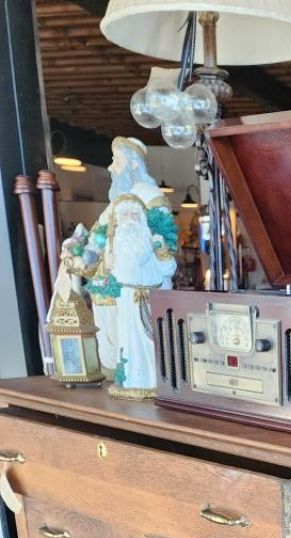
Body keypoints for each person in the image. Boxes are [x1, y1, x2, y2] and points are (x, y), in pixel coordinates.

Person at [62, 137, 178, 379]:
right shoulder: (118, 201)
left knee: (142, 342)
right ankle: (119, 375)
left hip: (142, 287)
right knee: (116, 343)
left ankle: (141, 378)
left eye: (117, 161)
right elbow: (98, 236)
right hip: (115, 287)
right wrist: (83, 253)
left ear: (133, 164)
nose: (111, 167)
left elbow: (164, 244)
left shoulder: (150, 196)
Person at [104, 194, 177, 397]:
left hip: (154, 300)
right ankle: (134, 381)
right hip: (128, 304)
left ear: (142, 218)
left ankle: (159, 381)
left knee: (155, 342)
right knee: (130, 344)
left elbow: (169, 269)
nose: (129, 219)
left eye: (134, 214)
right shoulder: (114, 246)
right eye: (124, 215)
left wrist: (162, 252)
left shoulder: (152, 242)